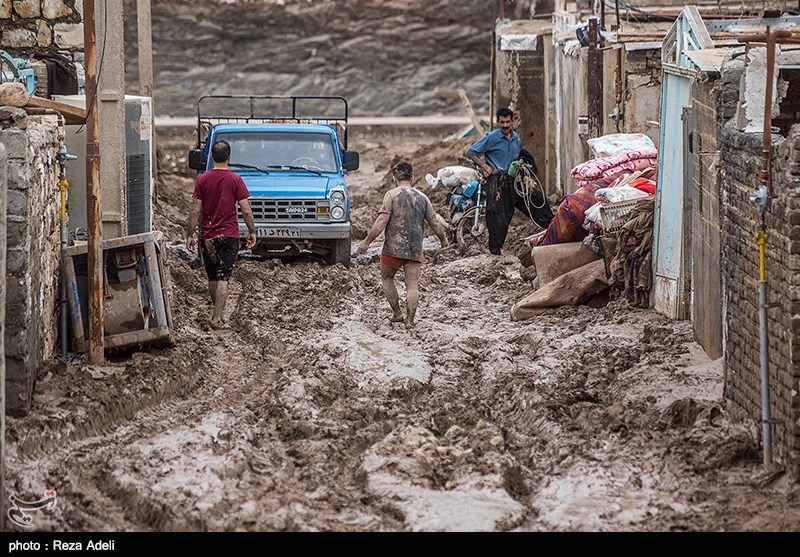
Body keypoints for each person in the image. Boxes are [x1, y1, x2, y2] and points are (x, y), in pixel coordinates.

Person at [356, 161, 449, 329]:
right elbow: (434, 223)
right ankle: (410, 321)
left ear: (394, 179)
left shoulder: (391, 195)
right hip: (414, 249)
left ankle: (397, 314)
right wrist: (443, 240)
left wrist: (366, 242)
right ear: (412, 178)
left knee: (387, 278)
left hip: (393, 248)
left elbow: (382, 220)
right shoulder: (423, 197)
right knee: (412, 285)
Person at [186, 140, 257, 330]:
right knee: (223, 278)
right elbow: (246, 210)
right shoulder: (235, 180)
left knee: (212, 277)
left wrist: (190, 234)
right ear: (229, 157)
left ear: (211, 157)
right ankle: (216, 319)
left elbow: (195, 210)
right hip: (229, 234)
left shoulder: (202, 179)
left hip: (207, 235)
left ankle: (217, 313)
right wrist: (251, 231)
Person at [464, 106, 553, 255]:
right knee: (499, 217)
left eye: (508, 122)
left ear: (512, 122)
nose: (505, 125)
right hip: (497, 183)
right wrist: (486, 167)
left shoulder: (516, 138)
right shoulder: (492, 137)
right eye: (502, 122)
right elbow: (470, 152)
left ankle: (553, 230)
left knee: (536, 201)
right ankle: (495, 251)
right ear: (498, 122)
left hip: (514, 180)